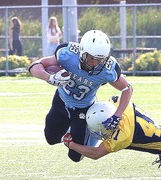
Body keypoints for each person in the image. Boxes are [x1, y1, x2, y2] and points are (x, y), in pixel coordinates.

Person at [28, 30, 133, 162]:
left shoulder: (108, 70)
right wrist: (49, 77)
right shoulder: (68, 55)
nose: (95, 63)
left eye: (100, 59)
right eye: (92, 58)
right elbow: (34, 65)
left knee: (75, 157)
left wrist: (118, 114)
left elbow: (127, 88)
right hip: (61, 99)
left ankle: (91, 131)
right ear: (82, 52)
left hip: (84, 108)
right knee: (51, 139)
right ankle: (71, 129)